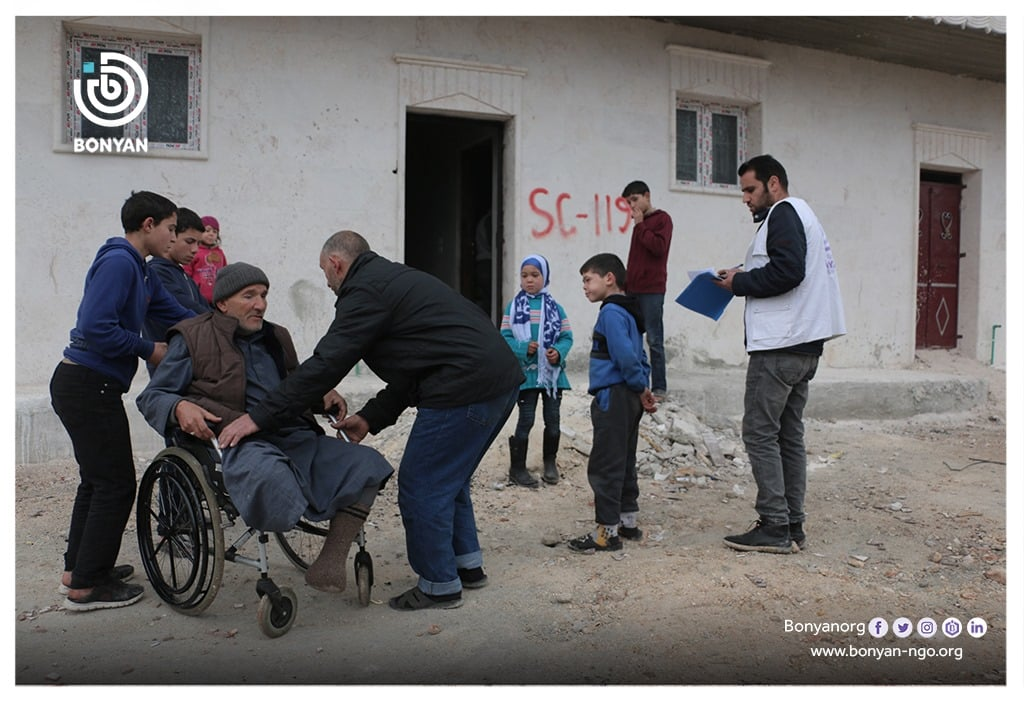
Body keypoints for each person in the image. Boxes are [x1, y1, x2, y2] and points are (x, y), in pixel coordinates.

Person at [217, 231, 524, 611]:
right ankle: (466, 567)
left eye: (324, 273)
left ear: (336, 264)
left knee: (422, 485)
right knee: (449, 479)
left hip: (464, 389)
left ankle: (439, 586)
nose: (326, 283)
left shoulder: (363, 294)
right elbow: (418, 365)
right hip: (497, 382)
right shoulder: (392, 280)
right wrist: (371, 417)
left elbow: (326, 363)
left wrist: (257, 417)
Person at [136, 262, 394, 592]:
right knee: (274, 480)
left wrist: (320, 395)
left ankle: (329, 561)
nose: (261, 304)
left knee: (366, 465)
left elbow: (295, 385)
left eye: (264, 295)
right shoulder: (191, 337)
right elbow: (153, 396)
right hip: (236, 442)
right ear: (222, 302)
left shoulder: (276, 336)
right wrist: (179, 406)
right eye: (250, 296)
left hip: (292, 434)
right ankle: (291, 512)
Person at [49, 190, 196, 611]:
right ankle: (87, 587)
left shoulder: (143, 272)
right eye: (170, 229)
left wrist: (219, 323)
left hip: (90, 385)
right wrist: (150, 349)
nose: (174, 237)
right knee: (115, 485)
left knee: (96, 481)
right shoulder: (118, 262)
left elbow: (176, 313)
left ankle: (78, 570)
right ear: (148, 226)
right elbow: (96, 327)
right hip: (86, 383)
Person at [715, 154, 846, 554]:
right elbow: (786, 266)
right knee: (787, 435)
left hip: (780, 346)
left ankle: (774, 525)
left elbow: (788, 271)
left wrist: (740, 283)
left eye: (750, 190)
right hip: (802, 346)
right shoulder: (800, 215)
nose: (745, 199)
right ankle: (792, 525)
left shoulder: (785, 213)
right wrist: (742, 273)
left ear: (773, 184)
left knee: (759, 432)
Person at [570, 253, 657, 553]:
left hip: (613, 394)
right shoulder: (630, 312)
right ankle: (627, 521)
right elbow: (639, 355)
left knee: (606, 462)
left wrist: (635, 383)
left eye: (587, 279)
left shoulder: (610, 312)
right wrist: (642, 387)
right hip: (630, 395)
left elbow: (622, 354)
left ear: (609, 278)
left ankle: (607, 533)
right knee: (625, 458)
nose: (584, 286)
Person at [500, 253, 574, 487]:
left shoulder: (555, 308)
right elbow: (505, 337)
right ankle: (517, 467)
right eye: (524, 276)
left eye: (535, 275)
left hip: (552, 376)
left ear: (545, 277)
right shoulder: (513, 308)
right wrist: (523, 348)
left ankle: (549, 462)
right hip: (527, 375)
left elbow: (566, 337)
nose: (529, 280)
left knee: (553, 419)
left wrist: (558, 353)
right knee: (526, 419)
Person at [622, 179, 673, 400]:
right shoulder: (638, 226)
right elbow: (635, 258)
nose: (632, 206)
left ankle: (659, 387)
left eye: (635, 199)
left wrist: (641, 224)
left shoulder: (662, 219)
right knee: (631, 337)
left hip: (652, 290)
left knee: (654, 339)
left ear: (647, 196)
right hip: (632, 289)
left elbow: (659, 249)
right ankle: (637, 382)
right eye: (628, 202)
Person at [143, 207, 211, 372]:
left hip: (191, 362)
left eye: (198, 243)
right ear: (171, 237)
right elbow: (191, 312)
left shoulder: (184, 275)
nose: (195, 250)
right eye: (189, 242)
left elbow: (206, 310)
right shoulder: (156, 273)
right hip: (171, 367)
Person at [184, 214, 227, 303]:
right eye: (207, 230)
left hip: (217, 297)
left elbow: (225, 272)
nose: (211, 234)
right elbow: (187, 272)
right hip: (198, 297)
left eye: (214, 232)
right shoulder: (194, 251)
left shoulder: (220, 253)